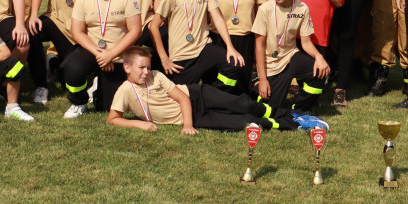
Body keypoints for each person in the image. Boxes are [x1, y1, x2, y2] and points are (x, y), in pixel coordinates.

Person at [108, 47, 300, 133]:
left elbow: (183, 99)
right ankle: (284, 126)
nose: (146, 71)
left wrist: (188, 126)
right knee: (245, 122)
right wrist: (139, 124)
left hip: (196, 96)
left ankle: (288, 115)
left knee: (242, 104)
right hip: (195, 116)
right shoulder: (125, 91)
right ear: (127, 67)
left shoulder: (156, 75)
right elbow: (113, 119)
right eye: (141, 68)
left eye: (148, 67)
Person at [149, 0, 245, 90]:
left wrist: (230, 47)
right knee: (184, 100)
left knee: (233, 63)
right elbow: (153, 26)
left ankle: (215, 93)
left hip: (203, 48)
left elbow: (218, 18)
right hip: (181, 56)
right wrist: (164, 58)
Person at [67, 0, 143, 115]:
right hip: (93, 51)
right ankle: (79, 102)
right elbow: (77, 32)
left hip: (117, 55)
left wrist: (112, 54)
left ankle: (97, 90)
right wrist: (100, 53)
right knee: (72, 67)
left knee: (107, 107)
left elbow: (135, 30)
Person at [253, 0, 330, 113]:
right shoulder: (265, 9)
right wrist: (263, 79)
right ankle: (255, 83)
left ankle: (300, 107)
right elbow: (259, 46)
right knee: (271, 110)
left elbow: (306, 42)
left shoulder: (302, 8)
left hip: (291, 56)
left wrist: (319, 56)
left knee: (320, 71)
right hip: (271, 64)